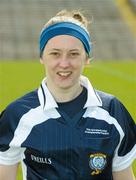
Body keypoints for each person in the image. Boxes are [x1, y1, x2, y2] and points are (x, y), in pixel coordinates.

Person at [0, 9, 136, 180]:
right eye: (55, 53)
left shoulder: (113, 111)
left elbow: (124, 176)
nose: (64, 64)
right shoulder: (17, 114)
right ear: (42, 56)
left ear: (86, 58)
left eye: (73, 54)